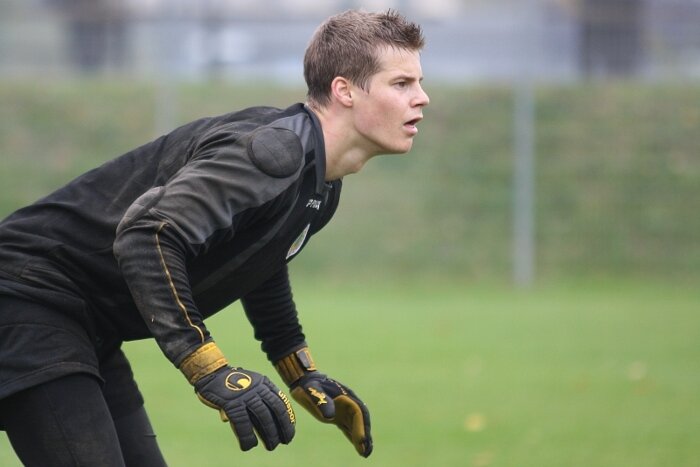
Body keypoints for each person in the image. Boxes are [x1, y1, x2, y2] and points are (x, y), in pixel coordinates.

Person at [0, 8, 429, 466]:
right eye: (401, 84)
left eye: (418, 83)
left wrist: (297, 366)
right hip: (27, 302)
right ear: (344, 90)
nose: (422, 98)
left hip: (85, 324)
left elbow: (260, 258)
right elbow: (147, 235)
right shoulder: (273, 154)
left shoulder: (320, 180)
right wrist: (208, 367)